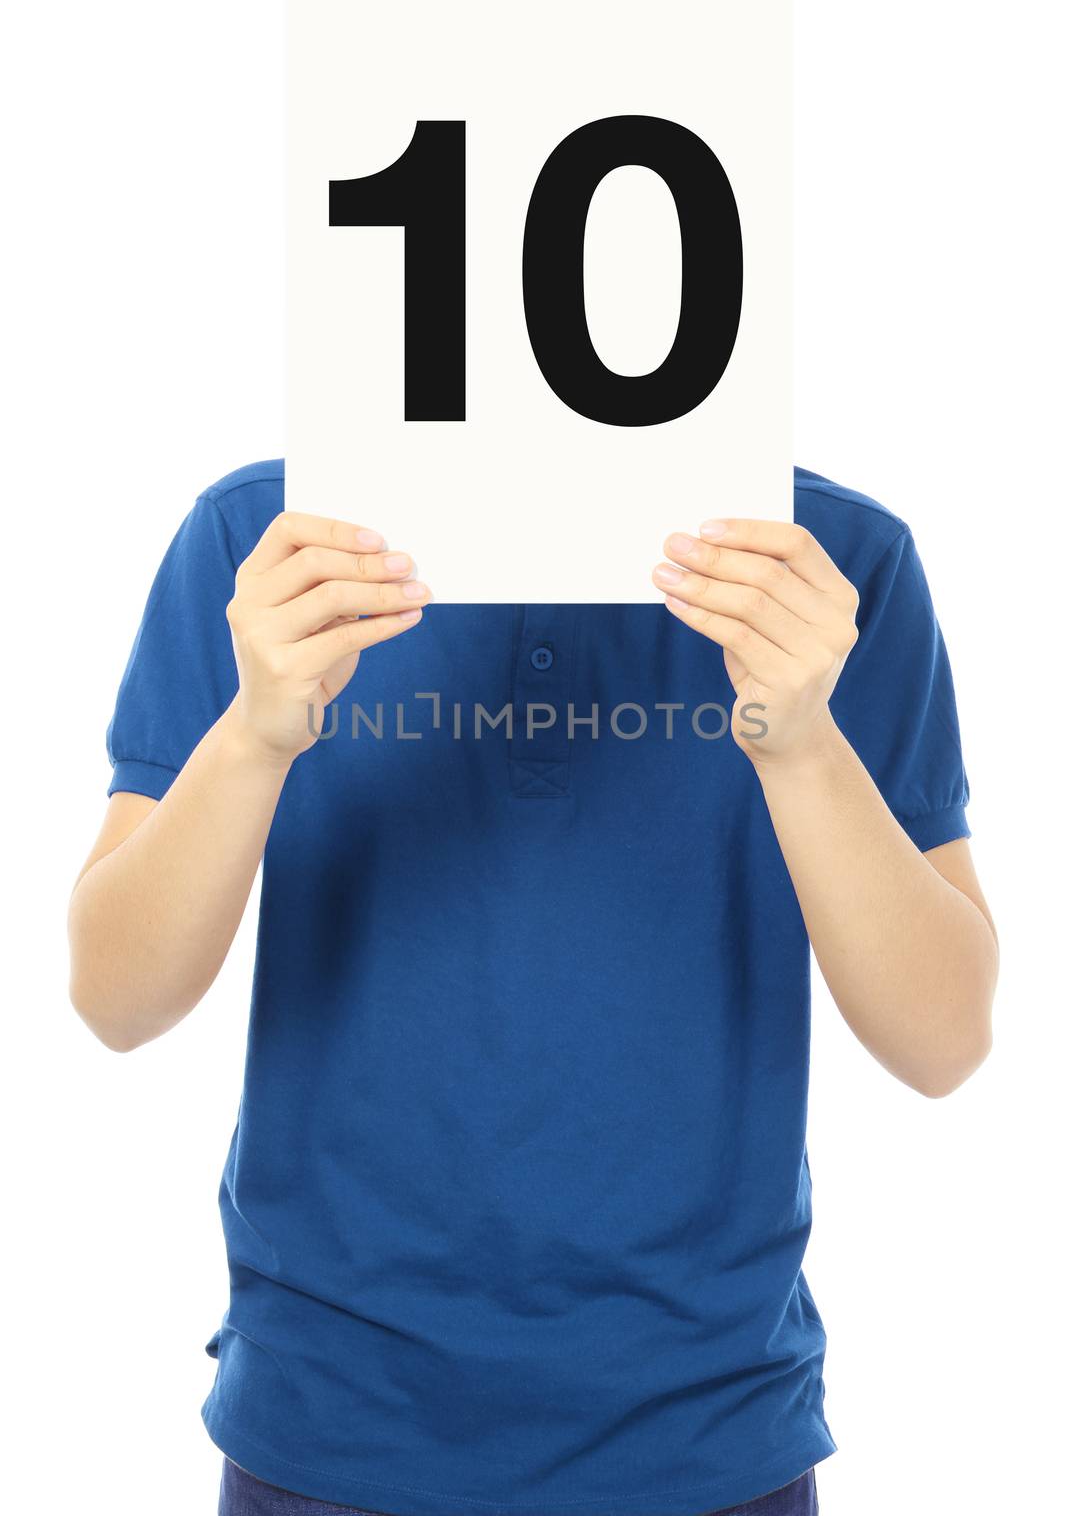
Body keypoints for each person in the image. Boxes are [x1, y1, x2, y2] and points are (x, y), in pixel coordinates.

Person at [68, 459, 998, 1516]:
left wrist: (799, 742)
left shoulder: (826, 562)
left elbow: (942, 1039)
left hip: (705, 1438)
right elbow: (116, 997)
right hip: (329, 1425)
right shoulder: (264, 541)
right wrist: (254, 732)